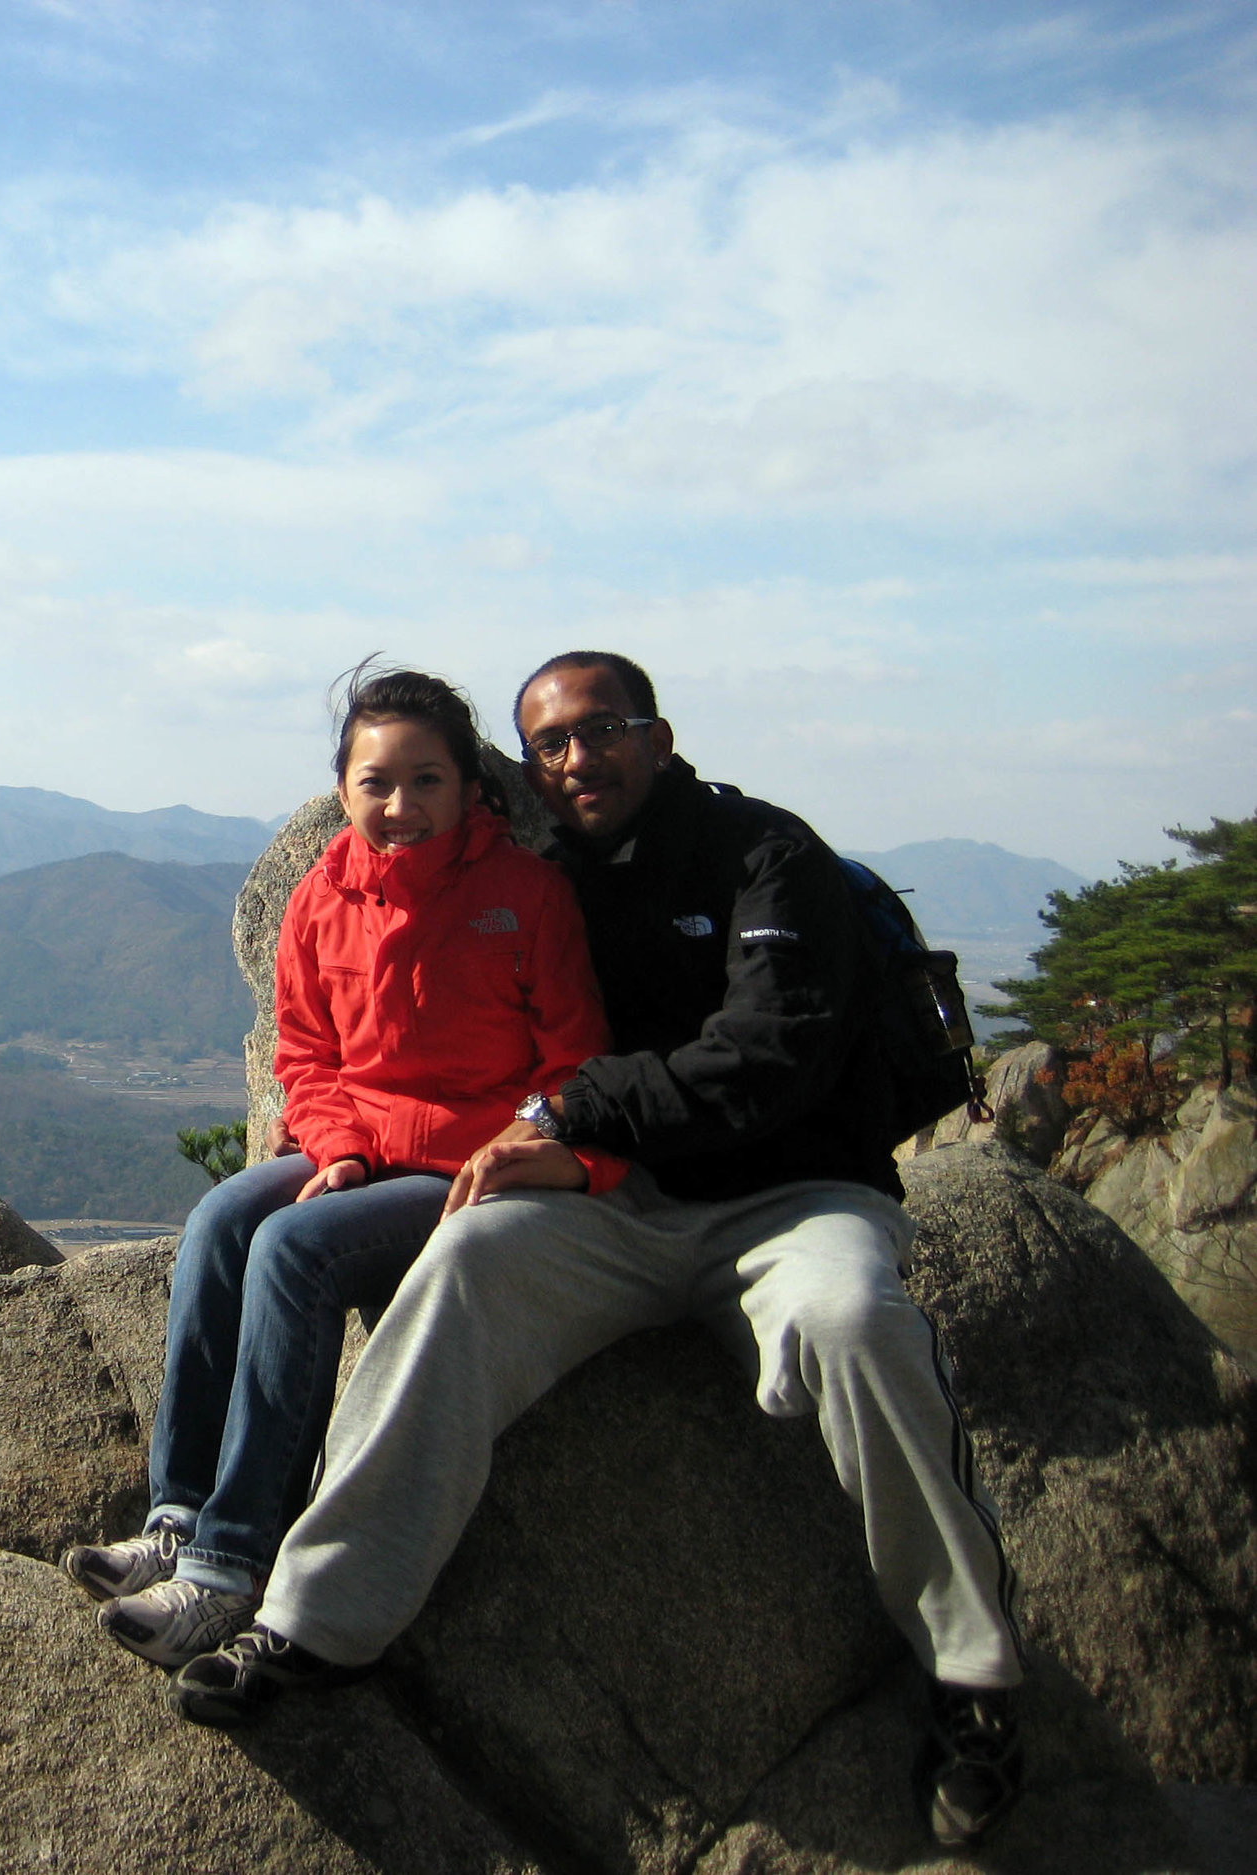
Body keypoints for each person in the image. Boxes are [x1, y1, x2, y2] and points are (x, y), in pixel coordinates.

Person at [166, 651, 1027, 1851]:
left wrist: (571, 1122)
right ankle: (317, 1617)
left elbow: (769, 1051)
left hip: (791, 1198)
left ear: (660, 737)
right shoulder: (542, 873)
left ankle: (974, 1674)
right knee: (462, 1270)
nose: (579, 759)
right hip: (613, 1205)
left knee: (853, 1323)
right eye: (551, 744)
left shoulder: (768, 858)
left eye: (603, 730)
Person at [60, 663, 622, 1669]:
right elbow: (305, 1055)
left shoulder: (524, 896)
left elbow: (573, 1061)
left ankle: (232, 1565)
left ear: (468, 788)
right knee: (224, 1219)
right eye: (377, 783)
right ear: (342, 788)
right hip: (354, 1145)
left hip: (462, 1163)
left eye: (427, 781)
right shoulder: (322, 896)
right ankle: (178, 1512)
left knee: (295, 1248)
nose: (401, 805)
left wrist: (521, 1139)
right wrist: (346, 1146)